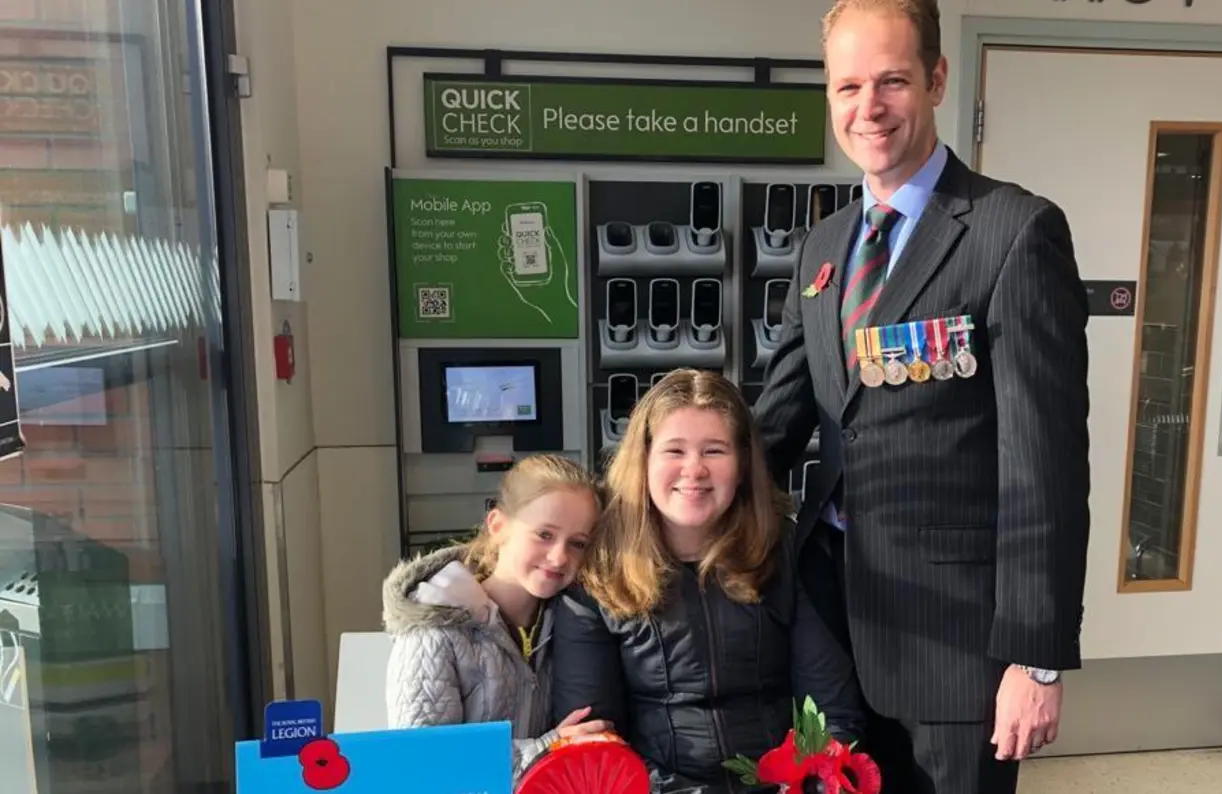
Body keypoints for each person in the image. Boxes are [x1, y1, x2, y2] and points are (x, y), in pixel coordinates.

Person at [752, 1, 1092, 793]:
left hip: (956, 643)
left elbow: (1043, 468)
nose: (867, 109)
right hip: (830, 625)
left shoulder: (1013, 233)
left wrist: (1036, 661)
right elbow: (774, 420)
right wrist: (633, 518)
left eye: (892, 81)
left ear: (937, 80)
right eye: (847, 87)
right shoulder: (826, 243)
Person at [550, 369, 865, 791]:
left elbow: (831, 712)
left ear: (741, 466)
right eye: (674, 450)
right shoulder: (598, 573)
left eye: (714, 451)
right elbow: (595, 744)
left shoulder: (787, 551)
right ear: (643, 462)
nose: (694, 470)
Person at [382, 453, 611, 782]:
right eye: (544, 534)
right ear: (498, 526)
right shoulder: (433, 631)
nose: (560, 556)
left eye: (577, 543)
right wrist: (548, 750)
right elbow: (424, 765)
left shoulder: (572, 624)